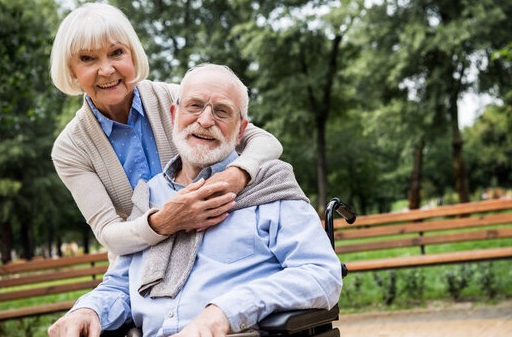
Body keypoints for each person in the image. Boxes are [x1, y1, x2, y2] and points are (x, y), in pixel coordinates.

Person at [47, 63, 343, 337]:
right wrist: (89, 309)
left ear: (241, 129)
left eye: (222, 111)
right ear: (174, 116)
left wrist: (223, 312)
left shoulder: (269, 185)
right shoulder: (150, 196)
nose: (205, 120)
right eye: (195, 106)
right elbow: (121, 284)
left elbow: (321, 274)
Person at [50, 2, 283, 261]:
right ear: (71, 69)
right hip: (139, 267)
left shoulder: (178, 99)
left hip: (212, 247)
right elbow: (108, 233)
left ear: (133, 55)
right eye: (87, 58)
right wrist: (165, 221)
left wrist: (237, 175)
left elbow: (265, 141)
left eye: (116, 52)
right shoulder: (70, 148)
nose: (106, 70)